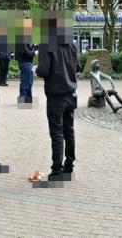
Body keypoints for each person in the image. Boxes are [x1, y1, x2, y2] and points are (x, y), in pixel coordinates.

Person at [36, 41, 80, 179]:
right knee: (69, 131)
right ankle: (69, 165)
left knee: (57, 133)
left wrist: (36, 69)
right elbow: (77, 66)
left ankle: (56, 170)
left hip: (55, 94)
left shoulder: (46, 44)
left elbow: (43, 71)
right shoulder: (72, 44)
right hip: (70, 93)